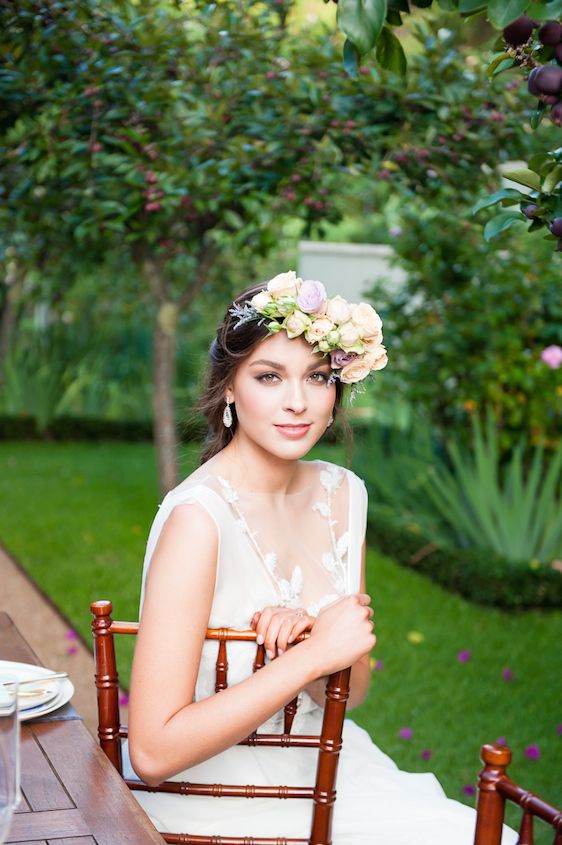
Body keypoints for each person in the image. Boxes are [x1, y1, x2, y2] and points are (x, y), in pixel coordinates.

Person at [126, 272, 516, 844]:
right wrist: (303, 662)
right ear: (229, 388)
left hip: (325, 762)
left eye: (317, 377)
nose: (298, 402)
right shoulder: (199, 520)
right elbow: (155, 751)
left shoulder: (343, 494)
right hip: (218, 796)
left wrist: (315, 642)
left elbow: (350, 691)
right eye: (268, 377)